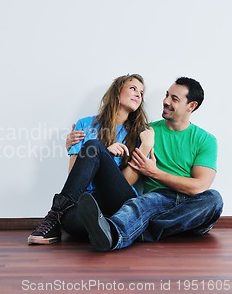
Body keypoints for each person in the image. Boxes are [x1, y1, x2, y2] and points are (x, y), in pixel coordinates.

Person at [77, 77, 223, 252]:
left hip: (191, 203)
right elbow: (117, 175)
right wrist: (78, 144)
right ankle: (114, 235)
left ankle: (140, 230)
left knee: (214, 199)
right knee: (140, 204)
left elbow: (198, 187)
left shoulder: (205, 140)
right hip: (157, 198)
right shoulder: (146, 131)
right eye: (167, 95)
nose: (166, 101)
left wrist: (154, 173)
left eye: (174, 99)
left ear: (191, 106)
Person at [28, 73, 152, 244]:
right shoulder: (84, 125)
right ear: (117, 92)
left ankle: (53, 217)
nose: (139, 94)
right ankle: (107, 227)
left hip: (119, 199)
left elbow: (127, 180)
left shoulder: (141, 133)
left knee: (94, 146)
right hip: (87, 200)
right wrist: (97, 152)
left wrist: (103, 155)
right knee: (70, 220)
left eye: (141, 92)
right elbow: (74, 177)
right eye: (133, 88)